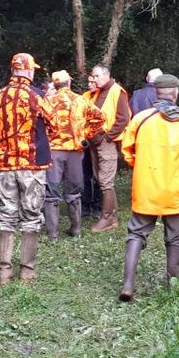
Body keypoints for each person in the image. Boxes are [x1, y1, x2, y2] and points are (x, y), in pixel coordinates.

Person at [118, 73, 179, 301]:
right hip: (174, 190)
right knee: (175, 238)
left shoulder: (140, 119)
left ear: (156, 93)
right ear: (175, 94)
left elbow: (126, 151)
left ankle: (128, 285)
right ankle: (174, 283)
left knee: (136, 234)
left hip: (146, 189)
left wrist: (141, 168)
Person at [0, 52, 55, 285]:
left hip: (5, 165)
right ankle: (27, 272)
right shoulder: (36, 95)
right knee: (31, 217)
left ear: (13, 69)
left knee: (6, 216)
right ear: (29, 70)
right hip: (31, 166)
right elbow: (54, 123)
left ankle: (4, 272)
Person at [43, 70, 106, 240]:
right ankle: (76, 230)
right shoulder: (81, 100)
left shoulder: (47, 101)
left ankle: (52, 234)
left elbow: (40, 124)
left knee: (51, 192)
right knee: (74, 191)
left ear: (55, 85)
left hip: (54, 152)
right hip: (75, 152)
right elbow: (101, 118)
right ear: (69, 83)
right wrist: (85, 133)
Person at [84, 64, 132, 232]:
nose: (94, 79)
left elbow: (123, 118)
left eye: (96, 76)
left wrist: (107, 137)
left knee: (105, 181)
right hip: (94, 143)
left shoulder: (117, 91)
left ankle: (107, 219)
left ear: (106, 75)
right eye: (93, 76)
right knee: (101, 179)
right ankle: (112, 216)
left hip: (106, 143)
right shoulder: (97, 92)